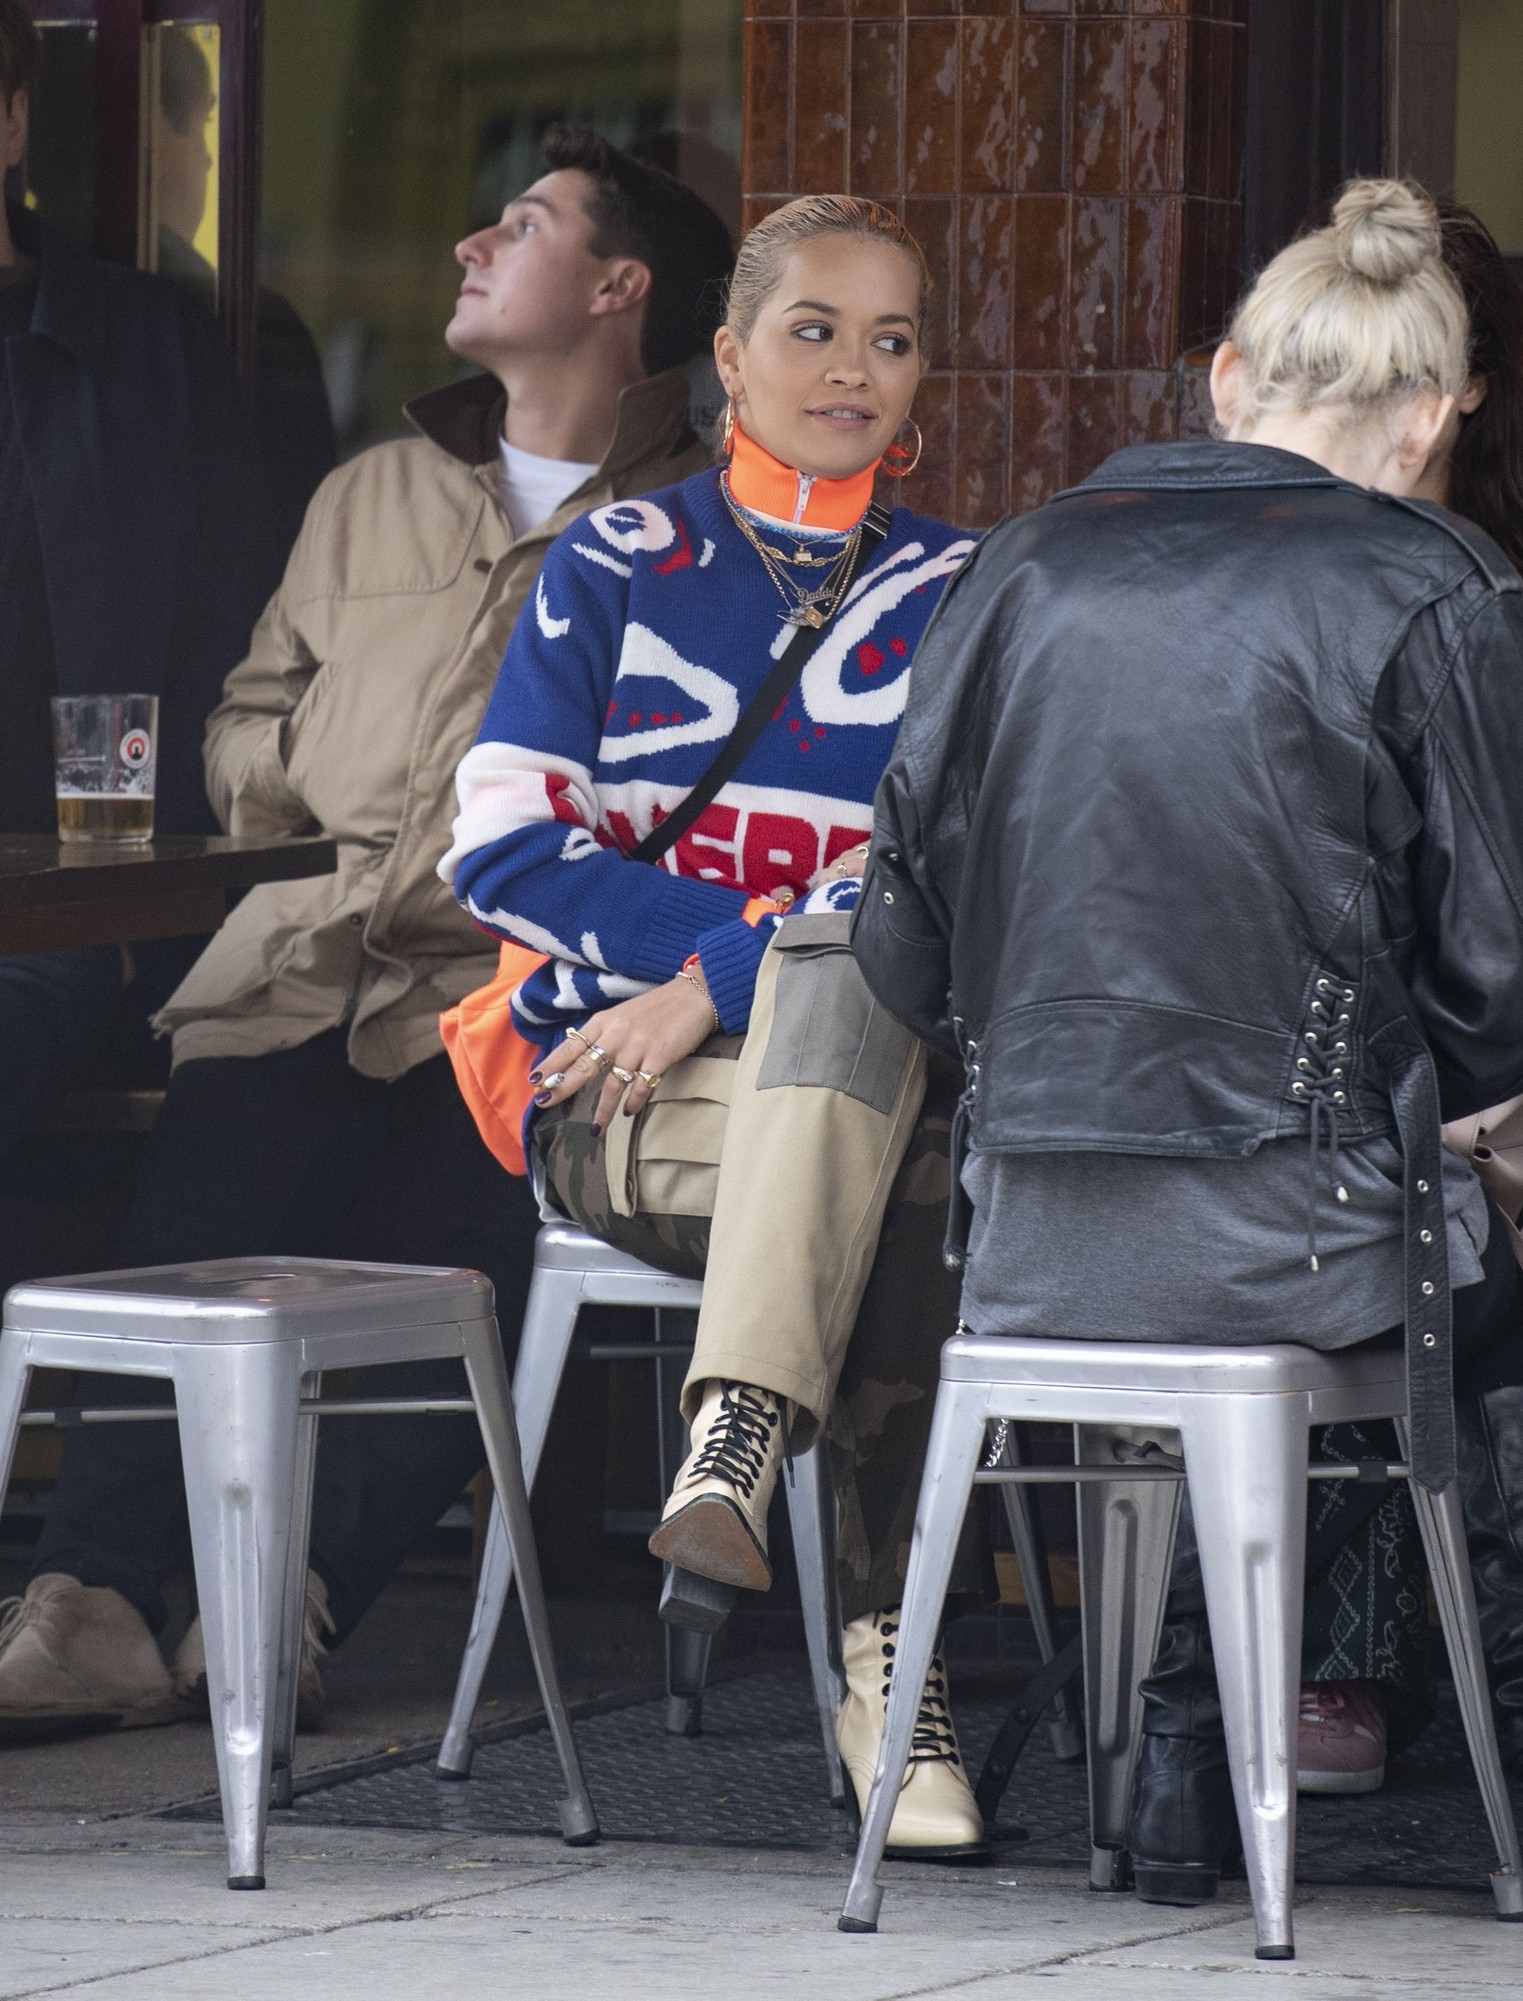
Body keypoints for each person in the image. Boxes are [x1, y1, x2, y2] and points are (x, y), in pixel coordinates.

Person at [852, 180, 1523, 1923]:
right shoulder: (1433, 580)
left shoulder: (1021, 563)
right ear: (1432, 412)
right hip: (1305, 1235)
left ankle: (1185, 1770)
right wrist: (1415, 1087)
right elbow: (1517, 992)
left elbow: (898, 937)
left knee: (1276, 1310)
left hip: (1030, 1241)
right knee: (1494, 1309)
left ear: (1230, 380)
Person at [0, 128, 731, 1738]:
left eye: (521, 224)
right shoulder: (369, 493)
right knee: (186, 1263)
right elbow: (242, 716)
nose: (471, 244)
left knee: (461, 1282)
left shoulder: (697, 532)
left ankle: (287, 1595)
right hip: (297, 960)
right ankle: (92, 1600)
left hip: (509, 990)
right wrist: (307, 794)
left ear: (619, 288)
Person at [442, 194, 991, 1854]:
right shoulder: (618, 563)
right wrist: (728, 969)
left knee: (867, 1076)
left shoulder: (967, 592)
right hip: (617, 1088)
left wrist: (721, 982)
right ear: (730, 358)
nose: (852, 369)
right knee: (892, 1141)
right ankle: (895, 1674)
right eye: (812, 331)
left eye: (891, 339)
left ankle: (738, 1427)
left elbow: (960, 878)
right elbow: (502, 844)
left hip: (797, 1070)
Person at [1291, 199, 1523, 1799]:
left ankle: (1502, 1686)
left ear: (1469, 385)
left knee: (1484, 1150)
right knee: (1389, 1163)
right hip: (1323, 1055)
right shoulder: (1248, 586)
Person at [0, 0, 272, 1158]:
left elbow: (237, 652)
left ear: (13, 122)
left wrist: (129, 916)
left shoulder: (154, 351)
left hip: (68, 928)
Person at [150, 23, 336, 578]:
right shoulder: (248, 325)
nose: (210, 159)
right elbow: (297, 555)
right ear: (154, 128)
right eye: (204, 124)